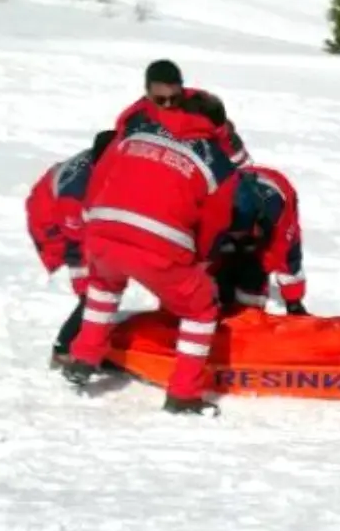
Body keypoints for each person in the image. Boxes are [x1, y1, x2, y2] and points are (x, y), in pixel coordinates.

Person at [61, 91, 246, 416]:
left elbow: (100, 175)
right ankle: (183, 394)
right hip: (160, 243)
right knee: (200, 309)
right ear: (218, 126)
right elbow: (215, 224)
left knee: (104, 286)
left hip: (103, 228)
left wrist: (94, 221)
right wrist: (199, 262)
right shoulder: (218, 162)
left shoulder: (137, 132)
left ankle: (83, 357)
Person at [25, 130, 116, 368]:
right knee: (93, 293)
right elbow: (75, 243)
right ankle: (64, 349)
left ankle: (88, 338)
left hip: (64, 214)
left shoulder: (101, 162)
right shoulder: (76, 193)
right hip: (54, 227)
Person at [112, 59, 252, 167]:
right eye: (160, 99)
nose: (168, 104)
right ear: (147, 93)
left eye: (174, 98)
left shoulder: (204, 106)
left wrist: (221, 130)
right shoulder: (133, 118)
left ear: (181, 88)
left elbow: (237, 159)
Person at [210, 165, 308, 315]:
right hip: (230, 207)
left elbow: (287, 257)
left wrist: (293, 301)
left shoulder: (278, 216)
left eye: (241, 234)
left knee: (252, 279)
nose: (238, 238)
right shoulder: (212, 203)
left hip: (269, 207)